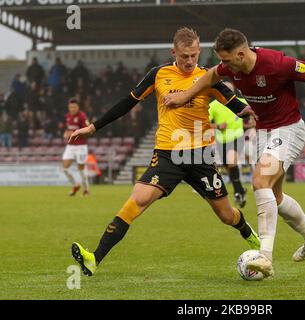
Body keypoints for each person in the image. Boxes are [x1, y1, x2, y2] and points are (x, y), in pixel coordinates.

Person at [164, 28, 305, 278]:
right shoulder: (229, 67)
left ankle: (264, 257)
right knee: (274, 197)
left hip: (289, 129)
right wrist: (184, 96)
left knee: (259, 181)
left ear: (242, 54)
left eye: (226, 60)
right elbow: (211, 76)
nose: (223, 66)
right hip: (264, 132)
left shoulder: (277, 64)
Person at [68, 27, 259, 276]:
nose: (189, 61)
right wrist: (93, 127)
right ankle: (94, 258)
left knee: (225, 215)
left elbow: (236, 105)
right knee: (137, 201)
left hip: (200, 156)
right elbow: (127, 102)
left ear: (199, 51)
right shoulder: (158, 75)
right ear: (174, 52)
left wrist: (255, 112)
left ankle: (250, 235)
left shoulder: (208, 78)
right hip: (167, 154)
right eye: (184, 56)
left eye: (193, 55)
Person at [208, 81, 248, 207]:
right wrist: (218, 126)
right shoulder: (214, 106)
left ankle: (237, 192)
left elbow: (255, 111)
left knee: (231, 161)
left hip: (237, 137)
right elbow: (205, 122)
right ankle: (240, 190)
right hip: (222, 140)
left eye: (230, 91)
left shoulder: (241, 102)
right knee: (229, 167)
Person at [62, 98, 90, 197]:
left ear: (78, 107)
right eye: (70, 107)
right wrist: (66, 133)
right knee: (65, 168)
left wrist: (73, 133)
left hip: (81, 146)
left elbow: (88, 131)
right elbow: (68, 129)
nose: (72, 109)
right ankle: (75, 185)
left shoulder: (82, 117)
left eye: (74, 107)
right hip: (70, 146)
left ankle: (86, 189)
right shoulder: (67, 116)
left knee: (81, 169)